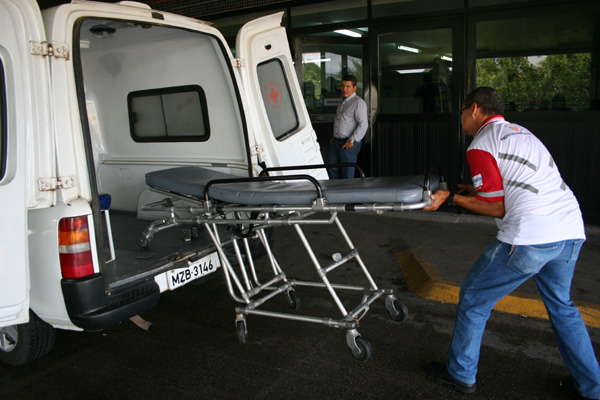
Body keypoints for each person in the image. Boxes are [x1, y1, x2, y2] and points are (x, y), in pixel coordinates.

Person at [423, 87, 600, 399]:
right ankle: (592, 387)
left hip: (530, 236)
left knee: (474, 297)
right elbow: (512, 185)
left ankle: (460, 373)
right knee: (562, 307)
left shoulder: (480, 144)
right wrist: (472, 191)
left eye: (463, 110)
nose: (461, 118)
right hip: (570, 230)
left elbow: (497, 207)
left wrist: (451, 196)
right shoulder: (521, 133)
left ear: (475, 108)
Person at [327, 75, 368, 179]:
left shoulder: (358, 103)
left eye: (348, 86)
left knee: (347, 172)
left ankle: (348, 194)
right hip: (336, 141)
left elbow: (363, 124)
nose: (344, 89)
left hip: (348, 143)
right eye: (342, 86)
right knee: (332, 168)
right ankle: (336, 193)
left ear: (354, 87)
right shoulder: (342, 102)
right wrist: (333, 136)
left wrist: (352, 140)